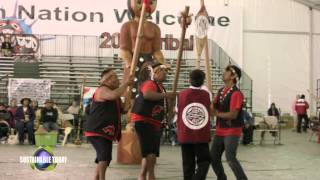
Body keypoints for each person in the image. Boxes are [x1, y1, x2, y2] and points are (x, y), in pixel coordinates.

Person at [84, 68, 133, 180]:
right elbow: (113, 95)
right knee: (104, 157)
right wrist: (126, 84)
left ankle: (97, 177)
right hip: (97, 130)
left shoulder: (114, 96)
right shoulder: (102, 90)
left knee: (104, 157)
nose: (117, 79)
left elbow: (124, 109)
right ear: (106, 80)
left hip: (105, 131)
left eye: (116, 76)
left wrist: (129, 92)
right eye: (114, 77)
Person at [131, 63, 176, 180]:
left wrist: (172, 102)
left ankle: (142, 175)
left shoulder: (161, 88)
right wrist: (166, 95)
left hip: (155, 122)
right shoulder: (150, 83)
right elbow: (147, 95)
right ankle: (151, 175)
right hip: (144, 120)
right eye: (161, 70)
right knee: (150, 151)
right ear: (154, 73)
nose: (164, 73)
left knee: (150, 151)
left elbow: (167, 110)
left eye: (165, 71)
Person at [211, 65, 248, 180]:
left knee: (230, 158)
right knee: (213, 157)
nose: (223, 73)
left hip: (232, 130)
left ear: (233, 76)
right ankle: (222, 178)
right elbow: (214, 107)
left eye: (226, 72)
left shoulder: (236, 94)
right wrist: (211, 103)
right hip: (220, 130)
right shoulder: (221, 91)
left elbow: (233, 115)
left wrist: (216, 114)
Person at [176, 69, 212, 180]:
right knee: (204, 161)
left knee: (187, 164)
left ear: (189, 80)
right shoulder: (207, 95)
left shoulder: (181, 94)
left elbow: (177, 110)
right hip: (201, 134)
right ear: (203, 81)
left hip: (185, 133)